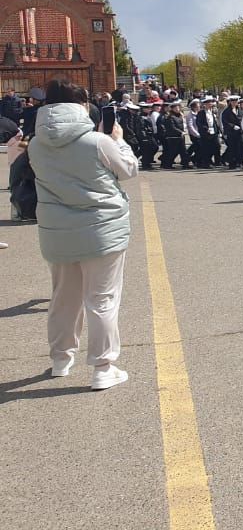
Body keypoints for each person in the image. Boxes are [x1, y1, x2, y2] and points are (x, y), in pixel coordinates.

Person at [26, 79, 137, 390]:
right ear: (82, 105)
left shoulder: (36, 143)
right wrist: (119, 140)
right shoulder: (96, 142)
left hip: (57, 230)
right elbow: (128, 170)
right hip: (102, 228)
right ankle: (103, 366)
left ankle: (61, 358)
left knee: (63, 297)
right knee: (102, 298)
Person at [158, 100, 192, 169]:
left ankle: (186, 164)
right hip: (173, 137)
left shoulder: (180, 116)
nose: (177, 109)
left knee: (183, 151)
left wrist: (183, 131)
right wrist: (180, 132)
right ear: (172, 109)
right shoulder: (170, 117)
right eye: (175, 108)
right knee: (173, 152)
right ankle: (167, 164)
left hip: (180, 136)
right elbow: (172, 127)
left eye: (178, 108)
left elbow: (183, 124)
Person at [194, 97, 220, 168]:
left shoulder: (212, 111)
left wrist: (218, 130)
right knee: (206, 148)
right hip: (206, 133)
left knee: (217, 146)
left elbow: (214, 122)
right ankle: (206, 163)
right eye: (208, 103)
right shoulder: (201, 113)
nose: (210, 104)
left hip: (213, 132)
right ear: (204, 104)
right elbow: (199, 123)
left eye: (211, 102)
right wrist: (205, 129)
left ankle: (217, 161)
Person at [221, 95, 243, 169]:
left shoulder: (239, 110)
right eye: (233, 102)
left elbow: (242, 119)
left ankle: (239, 161)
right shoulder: (226, 111)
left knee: (241, 145)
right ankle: (232, 163)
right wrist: (232, 126)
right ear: (230, 102)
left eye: (236, 101)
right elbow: (225, 121)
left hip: (240, 131)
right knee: (232, 148)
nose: (235, 103)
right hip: (231, 132)